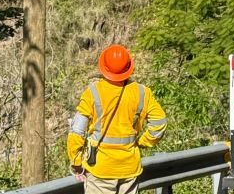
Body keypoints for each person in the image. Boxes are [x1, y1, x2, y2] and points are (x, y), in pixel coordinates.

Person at [67, 45, 167, 194]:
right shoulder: (142, 92)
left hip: (100, 169)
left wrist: (76, 161)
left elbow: (77, 131)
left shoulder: (93, 92)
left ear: (104, 67)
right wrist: (142, 143)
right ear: (128, 67)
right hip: (130, 167)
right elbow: (159, 123)